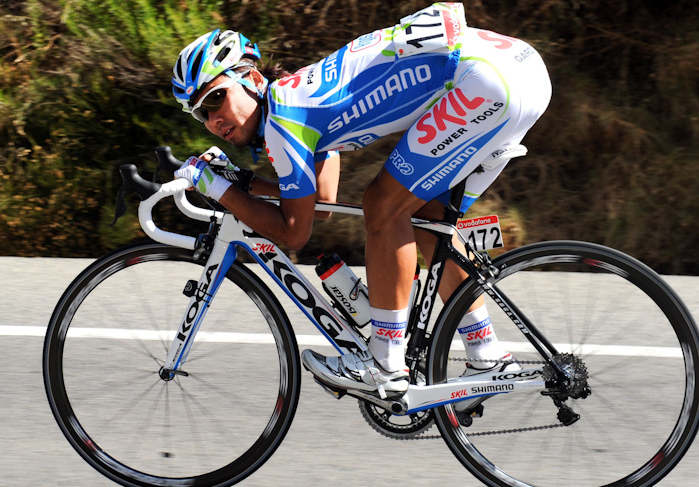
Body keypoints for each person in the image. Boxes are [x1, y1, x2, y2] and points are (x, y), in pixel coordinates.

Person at [171, 2, 551, 408]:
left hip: (486, 82)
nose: (212, 121)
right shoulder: (293, 100)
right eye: (199, 115)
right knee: (426, 218)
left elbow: (294, 233)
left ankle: (385, 364)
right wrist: (242, 182)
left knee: (383, 206)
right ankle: (486, 354)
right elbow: (322, 205)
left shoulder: (285, 119)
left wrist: (216, 187)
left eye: (215, 100)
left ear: (250, 78)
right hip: (522, 72)